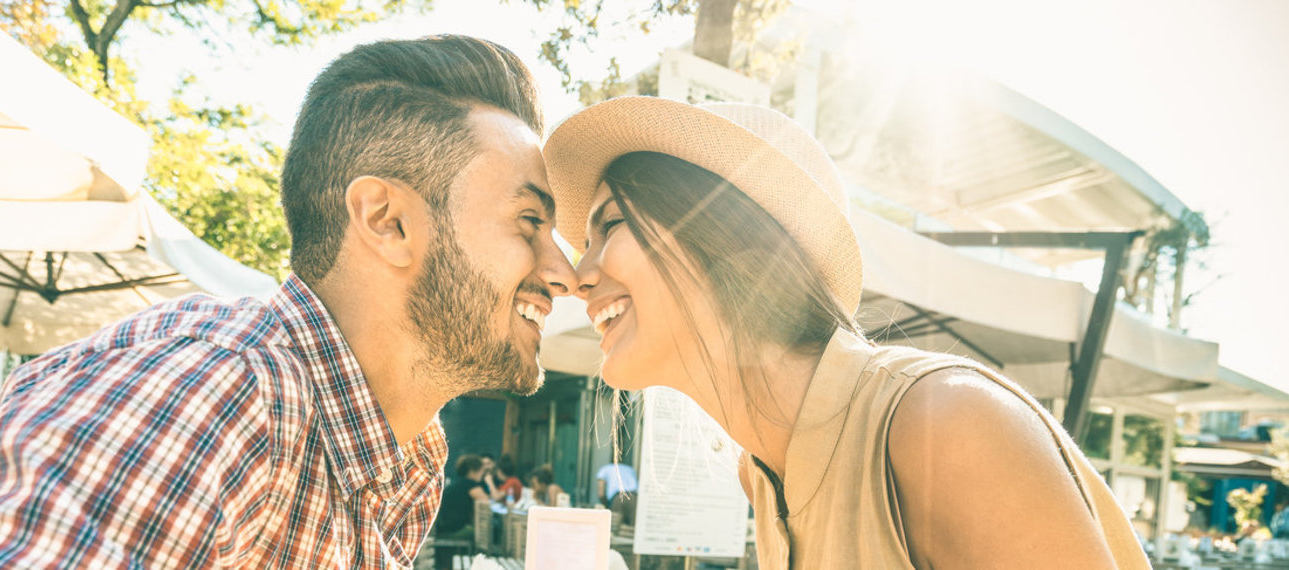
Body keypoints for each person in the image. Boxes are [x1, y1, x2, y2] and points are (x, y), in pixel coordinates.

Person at [0, 36, 577, 568]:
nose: (563, 275)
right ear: (387, 222)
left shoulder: (408, 461)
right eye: (529, 221)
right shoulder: (215, 392)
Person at [544, 96, 1149, 569]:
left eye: (612, 226)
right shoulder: (760, 473)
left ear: (727, 242)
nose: (578, 275)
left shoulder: (942, 422)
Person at [436, 455, 492, 540]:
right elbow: (486, 501)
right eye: (482, 471)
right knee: (485, 536)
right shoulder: (470, 485)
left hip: (442, 528)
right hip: (454, 530)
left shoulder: (456, 482)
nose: (483, 474)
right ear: (473, 471)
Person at [595, 461, 638, 525]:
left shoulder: (605, 469)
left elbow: (601, 494)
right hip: (635, 499)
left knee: (615, 528)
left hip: (618, 498)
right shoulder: (631, 470)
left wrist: (606, 506)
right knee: (632, 529)